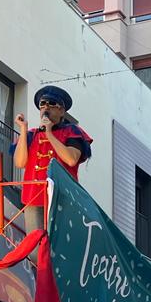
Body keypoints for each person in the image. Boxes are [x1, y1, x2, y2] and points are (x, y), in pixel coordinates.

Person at [12, 85, 92, 232]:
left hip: (62, 198)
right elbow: (20, 162)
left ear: (62, 111)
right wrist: (23, 129)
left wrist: (49, 133)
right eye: (42, 104)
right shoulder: (31, 134)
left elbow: (71, 159)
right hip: (33, 198)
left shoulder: (72, 131)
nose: (46, 108)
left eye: (52, 103)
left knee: (59, 244)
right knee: (35, 245)